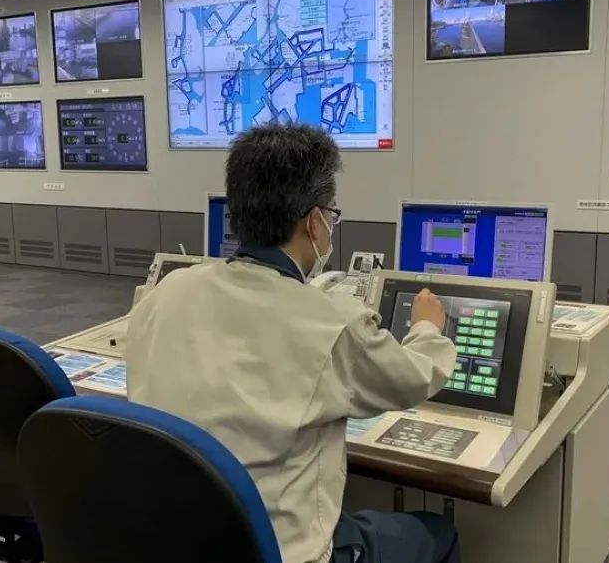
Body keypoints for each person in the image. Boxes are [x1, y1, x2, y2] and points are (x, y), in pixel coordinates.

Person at [126, 124, 460, 563]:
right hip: (285, 552)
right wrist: (428, 329)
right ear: (314, 222)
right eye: (331, 215)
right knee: (437, 533)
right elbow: (414, 379)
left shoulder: (165, 294)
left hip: (176, 538)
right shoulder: (331, 322)